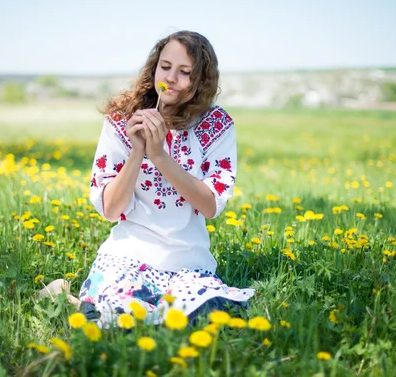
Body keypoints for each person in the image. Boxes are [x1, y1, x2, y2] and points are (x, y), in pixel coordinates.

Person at [41, 30, 255, 326]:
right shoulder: (121, 118)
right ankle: (63, 296)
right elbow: (110, 210)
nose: (170, 78)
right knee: (115, 318)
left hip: (188, 264)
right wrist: (137, 151)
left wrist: (160, 157)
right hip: (127, 256)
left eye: (184, 72)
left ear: (201, 80)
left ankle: (86, 305)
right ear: (155, 67)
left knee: (211, 315)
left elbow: (210, 206)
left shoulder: (216, 124)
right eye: (165, 67)